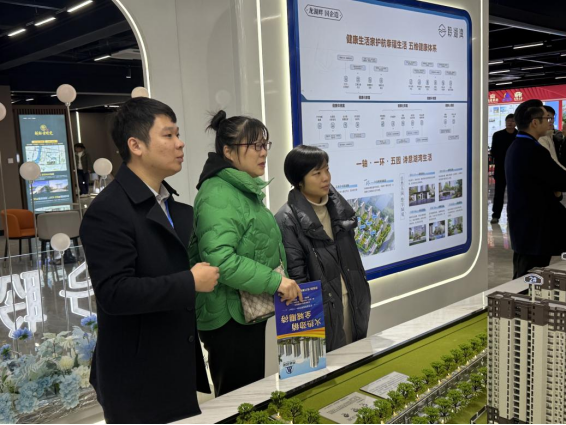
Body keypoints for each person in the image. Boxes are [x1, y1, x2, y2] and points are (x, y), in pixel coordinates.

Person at [80, 98, 219, 424]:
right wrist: (190, 282)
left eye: (177, 134)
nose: (180, 143)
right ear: (136, 145)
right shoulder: (109, 211)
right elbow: (114, 292)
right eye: (168, 135)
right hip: (136, 377)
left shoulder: (171, 205)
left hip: (174, 365)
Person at [190, 111, 303, 397]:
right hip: (229, 318)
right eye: (254, 146)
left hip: (243, 311)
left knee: (250, 395)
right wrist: (275, 281)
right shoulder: (218, 192)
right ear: (228, 152)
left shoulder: (238, 188)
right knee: (239, 400)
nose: (263, 152)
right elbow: (220, 260)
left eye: (265, 145)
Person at [275, 145, 371, 351]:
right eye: (317, 173)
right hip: (320, 311)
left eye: (327, 170)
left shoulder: (340, 210)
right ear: (299, 180)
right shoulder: (286, 220)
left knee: (355, 358)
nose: (326, 178)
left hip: (353, 300)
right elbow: (297, 278)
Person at [505, 99, 566, 279]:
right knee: (529, 279)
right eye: (547, 118)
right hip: (535, 228)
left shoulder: (518, 146)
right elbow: (561, 180)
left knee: (525, 274)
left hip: (526, 226)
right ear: (534, 122)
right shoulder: (532, 150)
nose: (550, 122)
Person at [490, 114, 517, 224]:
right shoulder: (498, 135)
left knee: (514, 194)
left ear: (516, 123)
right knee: (499, 193)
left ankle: (513, 215)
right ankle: (496, 215)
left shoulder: (519, 135)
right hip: (501, 169)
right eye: (508, 120)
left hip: (515, 170)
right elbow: (494, 151)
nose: (510, 123)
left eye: (512, 121)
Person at [538, 105, 566, 171]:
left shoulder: (551, 136)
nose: (551, 121)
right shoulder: (540, 138)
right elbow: (553, 163)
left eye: (552, 118)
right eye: (547, 118)